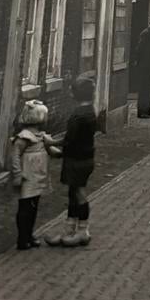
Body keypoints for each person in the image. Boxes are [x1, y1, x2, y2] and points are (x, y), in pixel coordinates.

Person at [45, 77, 98, 247]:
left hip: (76, 160)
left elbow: (69, 140)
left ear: (76, 94)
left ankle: (82, 231)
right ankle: (69, 230)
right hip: (85, 158)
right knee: (73, 193)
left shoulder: (77, 115)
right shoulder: (90, 111)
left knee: (79, 194)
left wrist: (50, 141)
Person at [10, 100, 60, 250]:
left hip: (39, 174)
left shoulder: (41, 136)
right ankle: (22, 237)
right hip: (28, 175)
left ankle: (30, 234)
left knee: (33, 206)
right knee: (25, 207)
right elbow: (15, 156)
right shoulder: (24, 137)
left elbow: (50, 149)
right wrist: (17, 174)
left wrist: (61, 153)